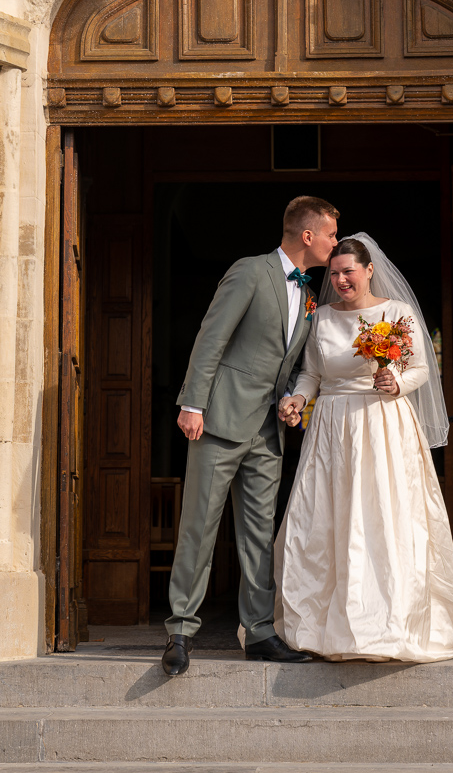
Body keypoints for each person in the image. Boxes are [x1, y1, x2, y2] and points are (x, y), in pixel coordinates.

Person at [162, 195, 340, 676]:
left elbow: (291, 362)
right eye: (330, 235)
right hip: (219, 419)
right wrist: (192, 403)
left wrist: (290, 401)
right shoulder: (250, 271)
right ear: (308, 236)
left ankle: (259, 631)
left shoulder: (308, 296)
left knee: (260, 535)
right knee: (199, 526)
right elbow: (211, 336)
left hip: (268, 430)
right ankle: (180, 630)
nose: (335, 243)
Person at [277, 234, 453, 662]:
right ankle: (327, 626)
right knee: (327, 519)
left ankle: (391, 624)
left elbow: (420, 367)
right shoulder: (320, 316)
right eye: (335, 272)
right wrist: (297, 399)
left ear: (369, 271)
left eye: (349, 271)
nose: (342, 279)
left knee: (385, 515)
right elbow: (311, 373)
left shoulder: (396, 313)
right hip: (330, 428)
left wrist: (396, 381)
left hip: (383, 424)